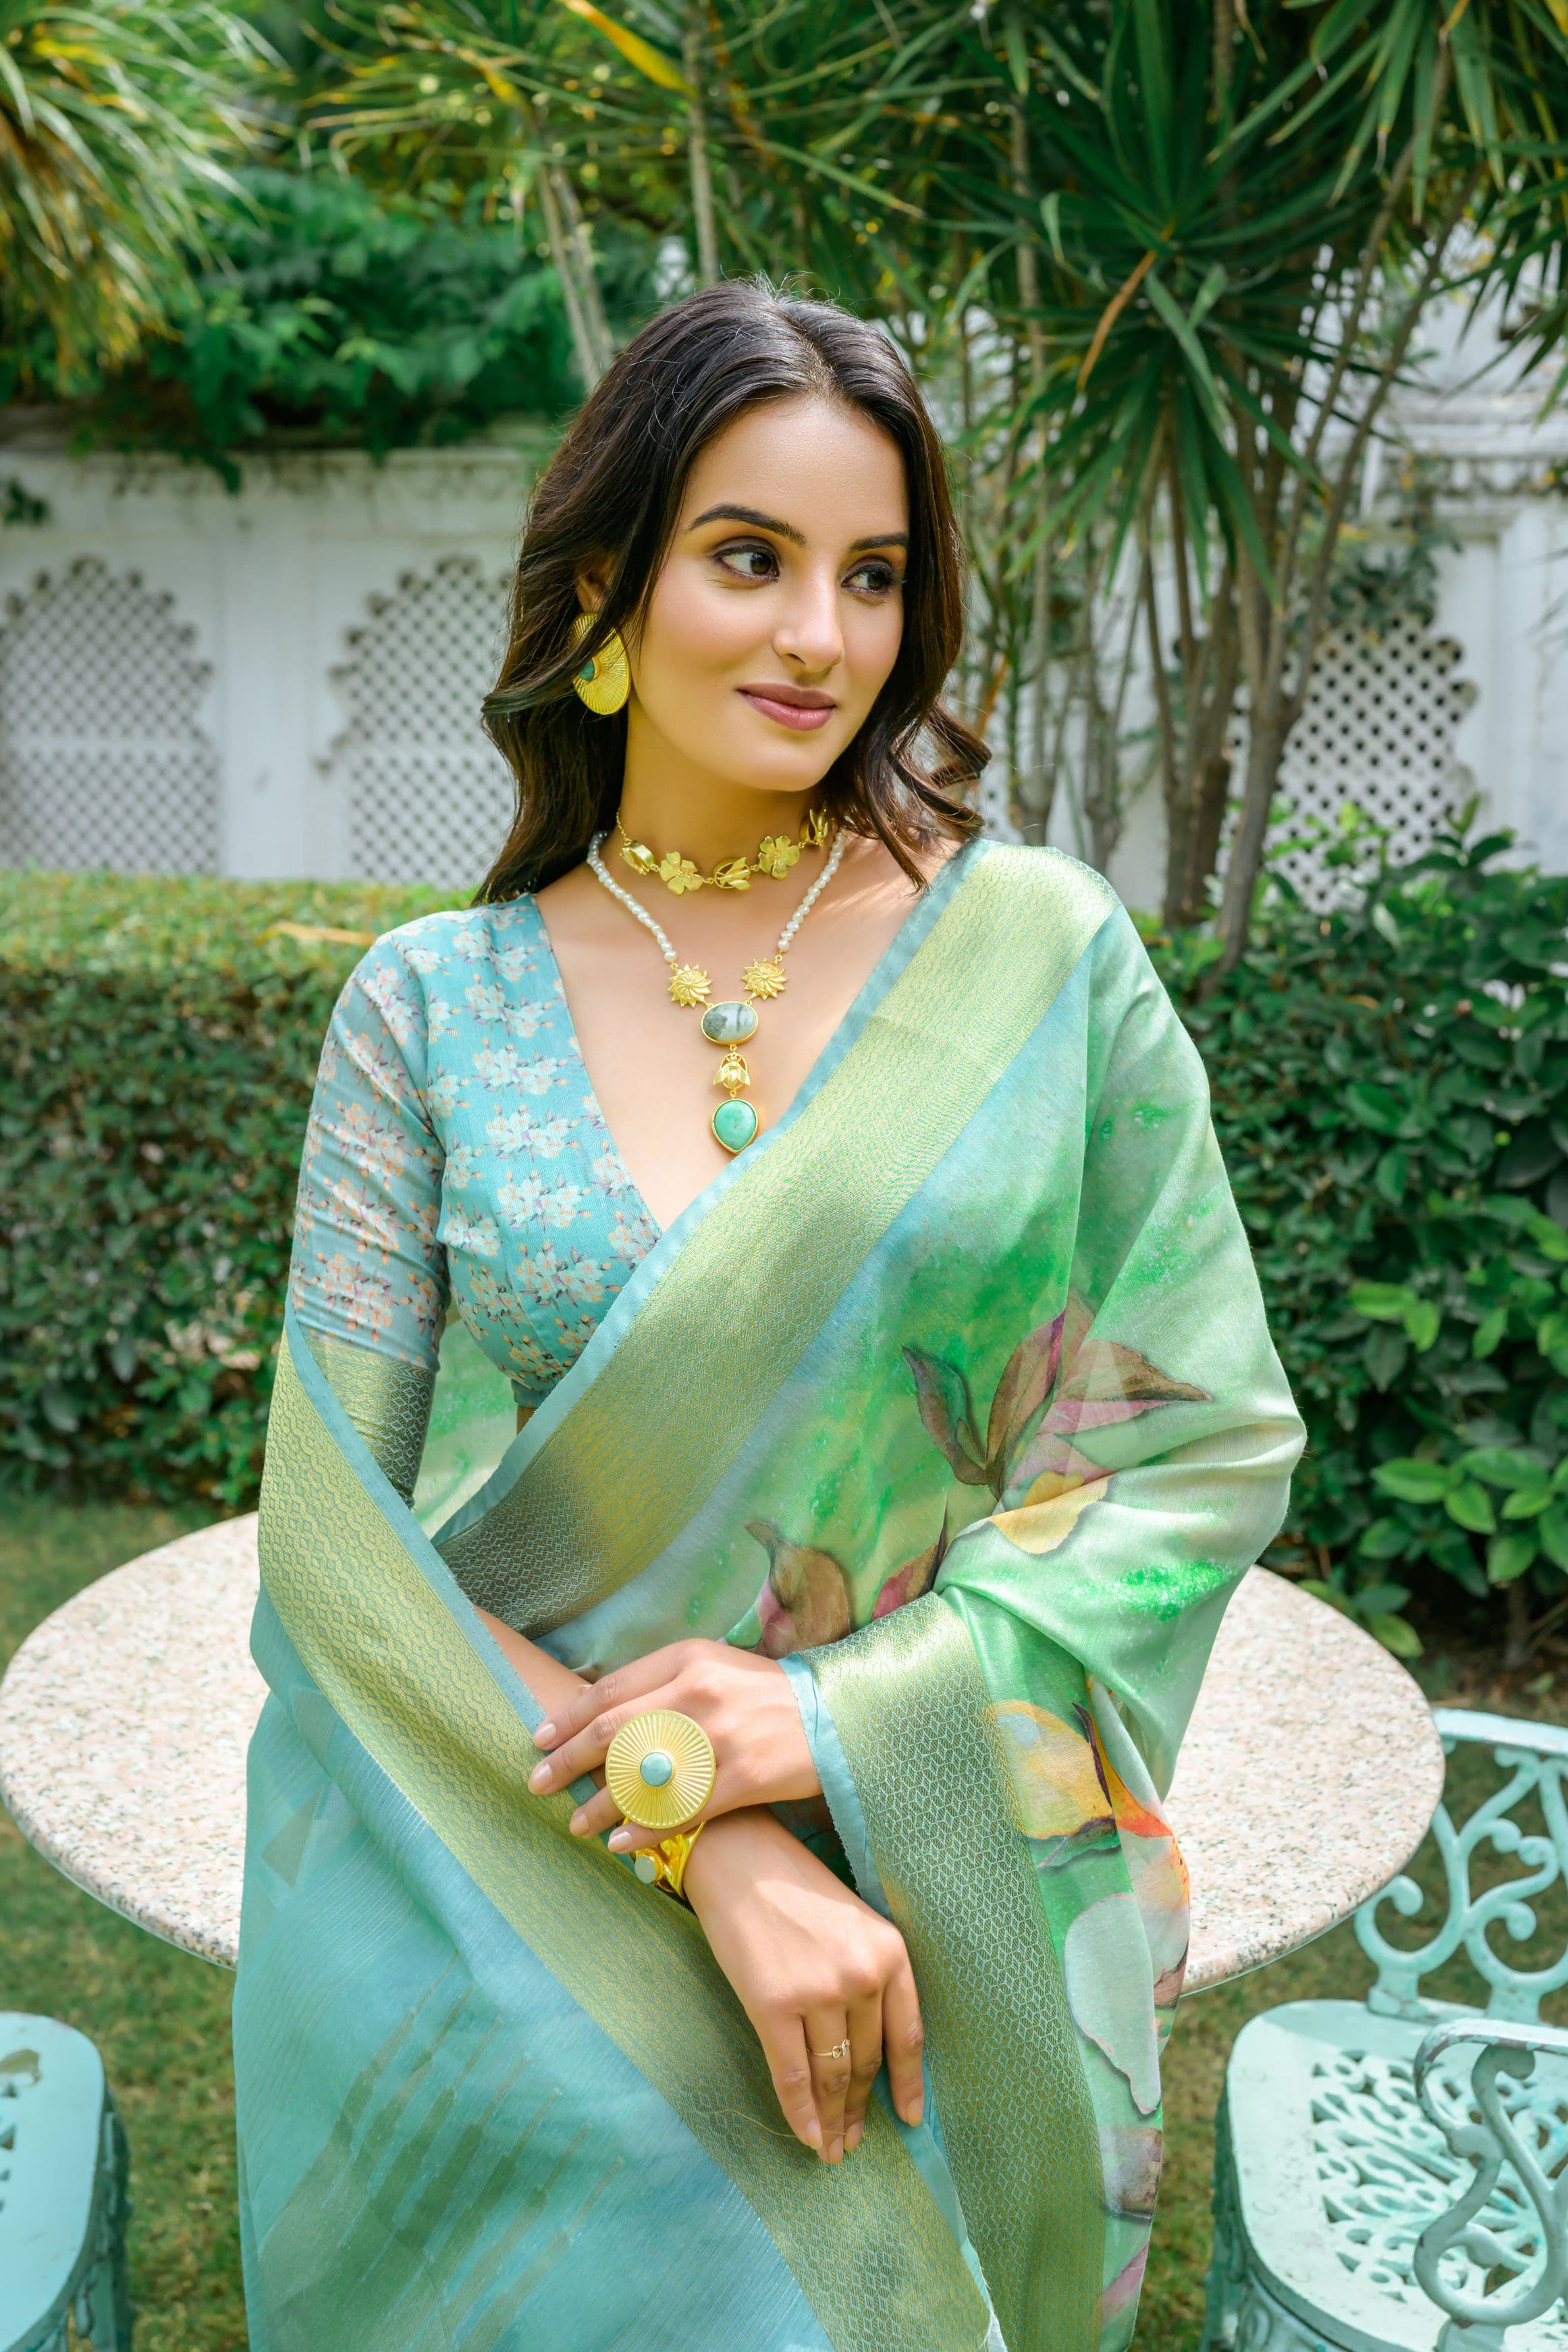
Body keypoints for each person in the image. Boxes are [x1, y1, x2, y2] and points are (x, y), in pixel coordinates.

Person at [237, 279, 1304, 2352]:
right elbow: (335, 1555)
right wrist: (698, 1832)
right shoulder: (427, 1009)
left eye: (875, 575)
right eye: (749, 557)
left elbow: (1190, 1444)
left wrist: (826, 1727)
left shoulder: (1039, 966)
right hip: (506, 1867)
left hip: (939, 1866)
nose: (823, 635)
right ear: (607, 590)